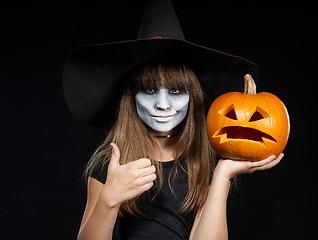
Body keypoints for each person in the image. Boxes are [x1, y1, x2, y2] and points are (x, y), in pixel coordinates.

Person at [76, 61, 284, 240]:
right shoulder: (110, 163)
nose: (163, 105)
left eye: (175, 91)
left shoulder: (208, 162)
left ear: (193, 97)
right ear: (132, 97)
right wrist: (108, 199)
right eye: (150, 90)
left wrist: (222, 174)